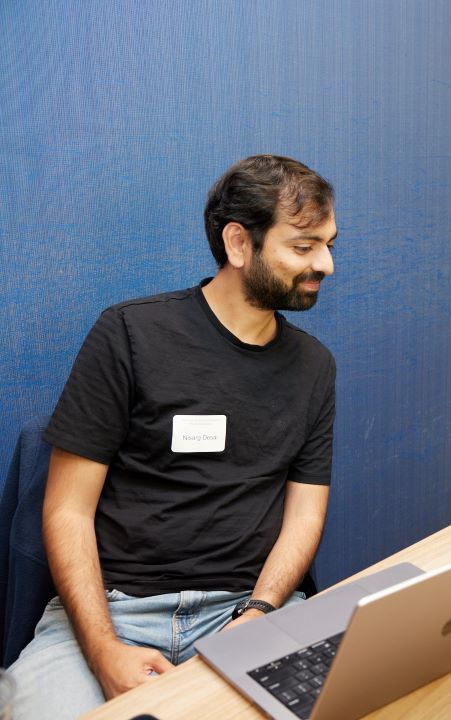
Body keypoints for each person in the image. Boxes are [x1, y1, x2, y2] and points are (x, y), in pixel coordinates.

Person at [10, 155, 339, 718]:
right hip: (113, 611)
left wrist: (259, 615)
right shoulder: (130, 335)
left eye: (330, 244)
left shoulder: (315, 366)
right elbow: (66, 510)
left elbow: (305, 515)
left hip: (243, 609)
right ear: (239, 244)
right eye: (304, 247)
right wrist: (103, 648)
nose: (327, 264)